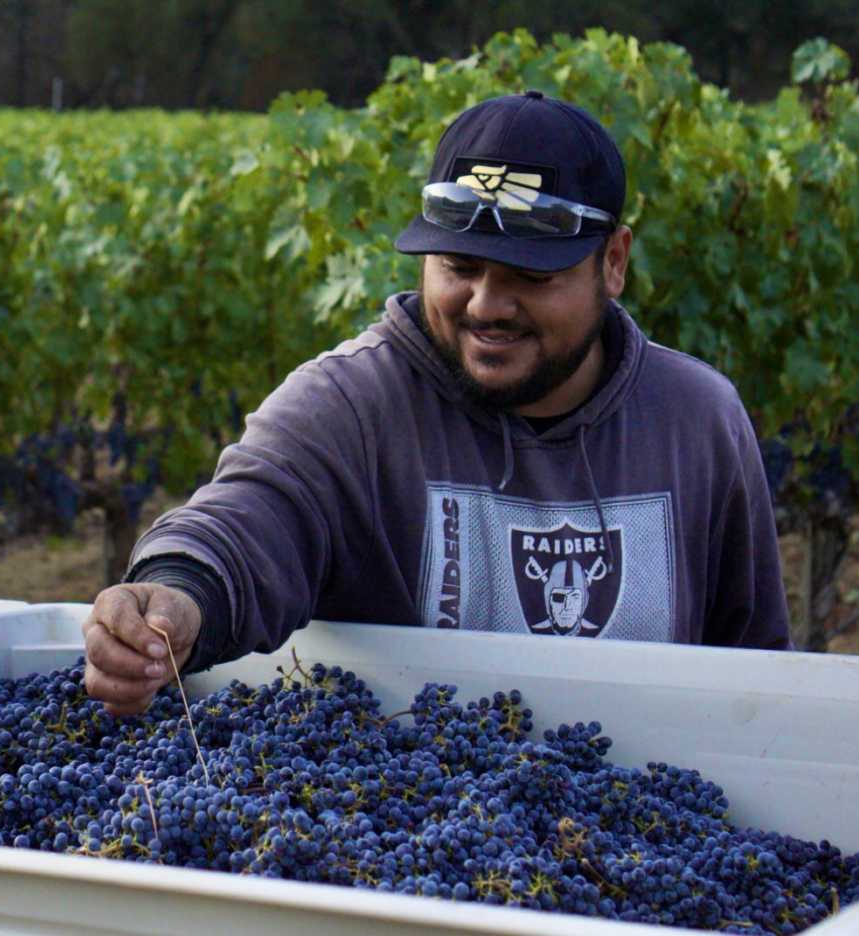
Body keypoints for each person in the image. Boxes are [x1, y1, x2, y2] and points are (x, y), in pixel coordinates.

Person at [82, 90, 791, 716]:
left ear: (613, 262)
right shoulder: (352, 403)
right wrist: (177, 594)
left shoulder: (698, 422)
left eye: (529, 276)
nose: (486, 305)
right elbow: (251, 516)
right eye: (459, 267)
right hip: (419, 837)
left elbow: (757, 678)